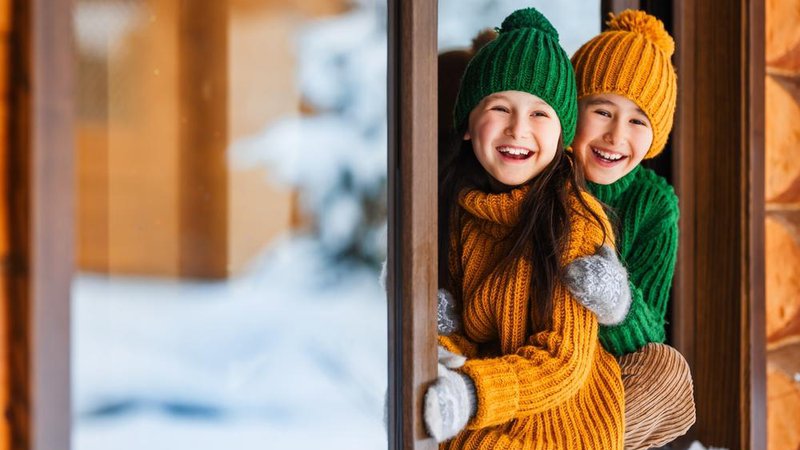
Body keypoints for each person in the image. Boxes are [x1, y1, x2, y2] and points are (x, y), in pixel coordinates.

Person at [423, 8, 631, 448]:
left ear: (562, 136)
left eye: (540, 114)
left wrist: (472, 392)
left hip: (561, 417)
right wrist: (440, 338)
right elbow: (468, 337)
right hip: (491, 402)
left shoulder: (574, 222)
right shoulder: (461, 213)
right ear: (467, 127)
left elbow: (563, 362)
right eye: (500, 107)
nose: (518, 128)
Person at [567, 10, 696, 449]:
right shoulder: (546, 177)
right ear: (572, 109)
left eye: (638, 120)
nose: (616, 134)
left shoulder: (654, 206)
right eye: (602, 110)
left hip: (598, 383)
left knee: (666, 370)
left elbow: (649, 336)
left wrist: (616, 301)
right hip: (536, 362)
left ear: (655, 135)